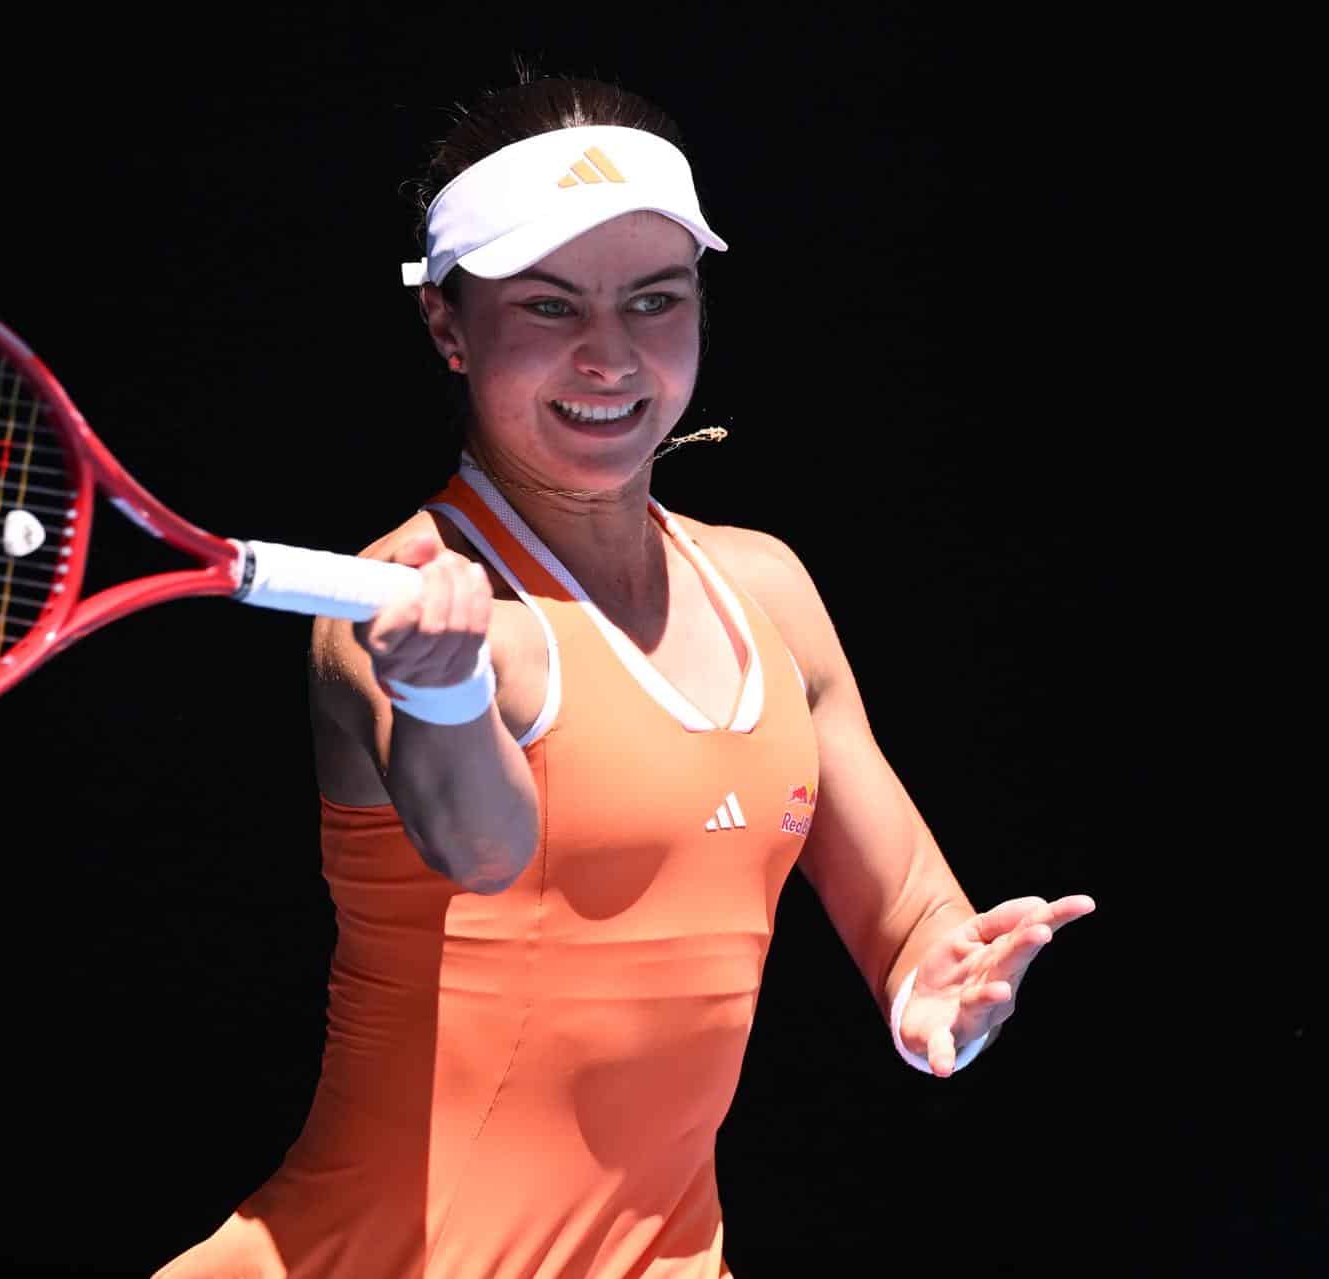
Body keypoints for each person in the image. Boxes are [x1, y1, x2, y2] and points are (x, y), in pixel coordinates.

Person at [155, 73, 1094, 1278]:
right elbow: (486, 854)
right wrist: (442, 687)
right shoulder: (395, 605)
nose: (611, 357)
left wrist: (942, 1005)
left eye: (656, 301)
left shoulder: (769, 587)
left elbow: (914, 914)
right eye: (549, 308)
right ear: (448, 326)